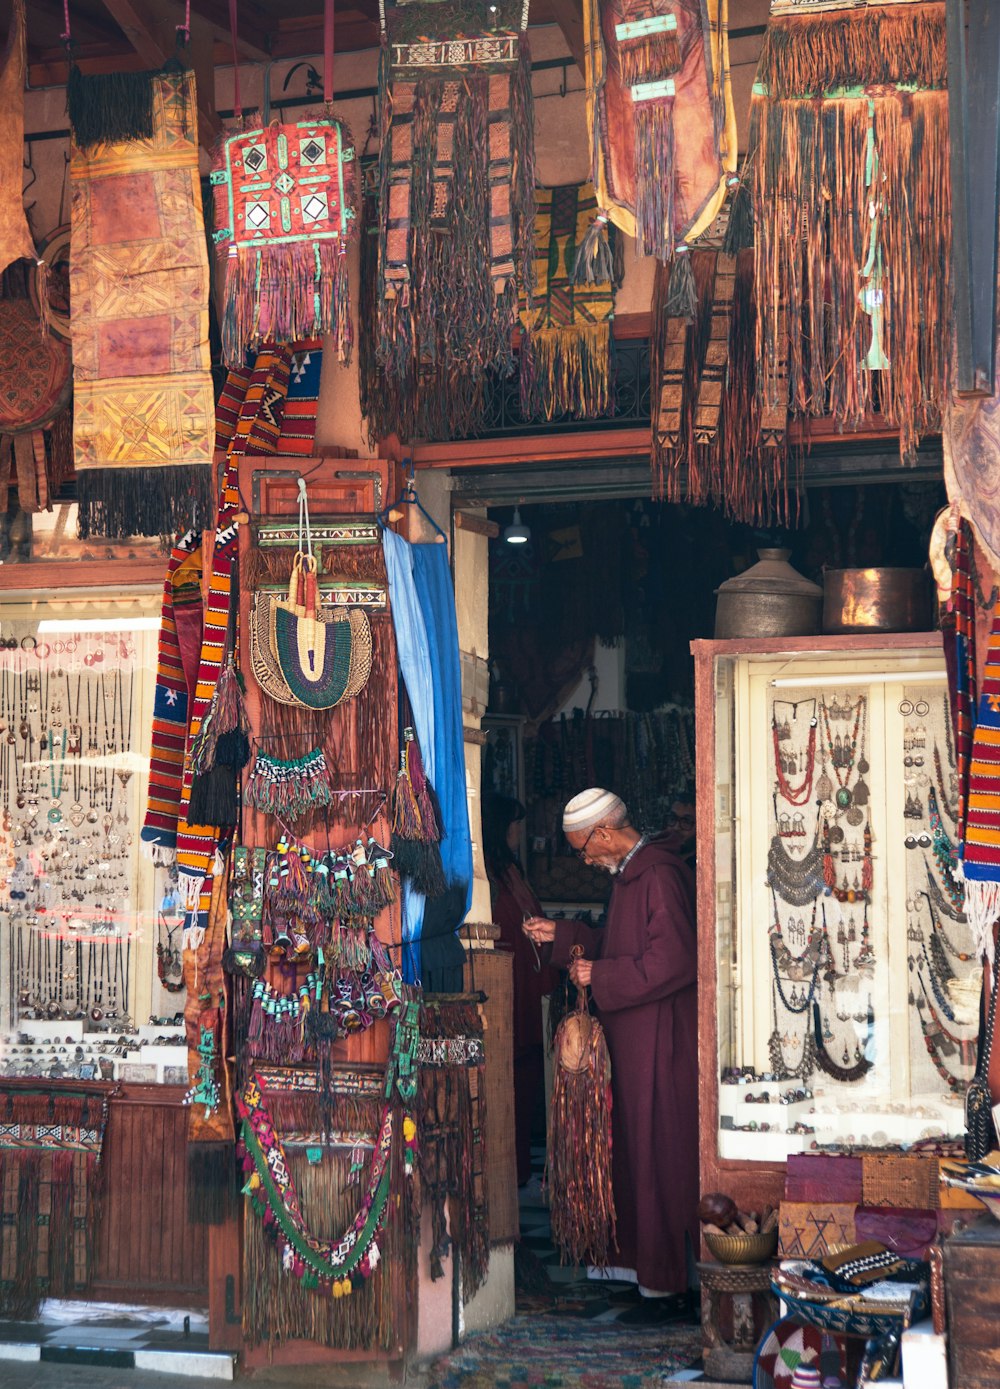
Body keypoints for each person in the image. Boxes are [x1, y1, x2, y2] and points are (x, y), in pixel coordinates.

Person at [523, 787, 698, 1321]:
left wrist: (602, 975)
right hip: (633, 1037)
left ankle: (668, 1286)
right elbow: (623, 944)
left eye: (582, 849)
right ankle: (639, 1275)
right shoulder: (631, 875)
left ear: (602, 833)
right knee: (629, 1155)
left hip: (659, 1042)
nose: (585, 860)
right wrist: (567, 936)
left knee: (657, 1157)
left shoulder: (659, 874)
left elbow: (673, 960)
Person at [482, 794, 557, 1188]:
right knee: (509, 1080)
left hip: (528, 988)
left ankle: (521, 1173)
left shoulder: (510, 870)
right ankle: (510, 1178)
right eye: (514, 825)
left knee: (527, 1079)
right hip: (507, 989)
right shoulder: (490, 875)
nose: (519, 832)